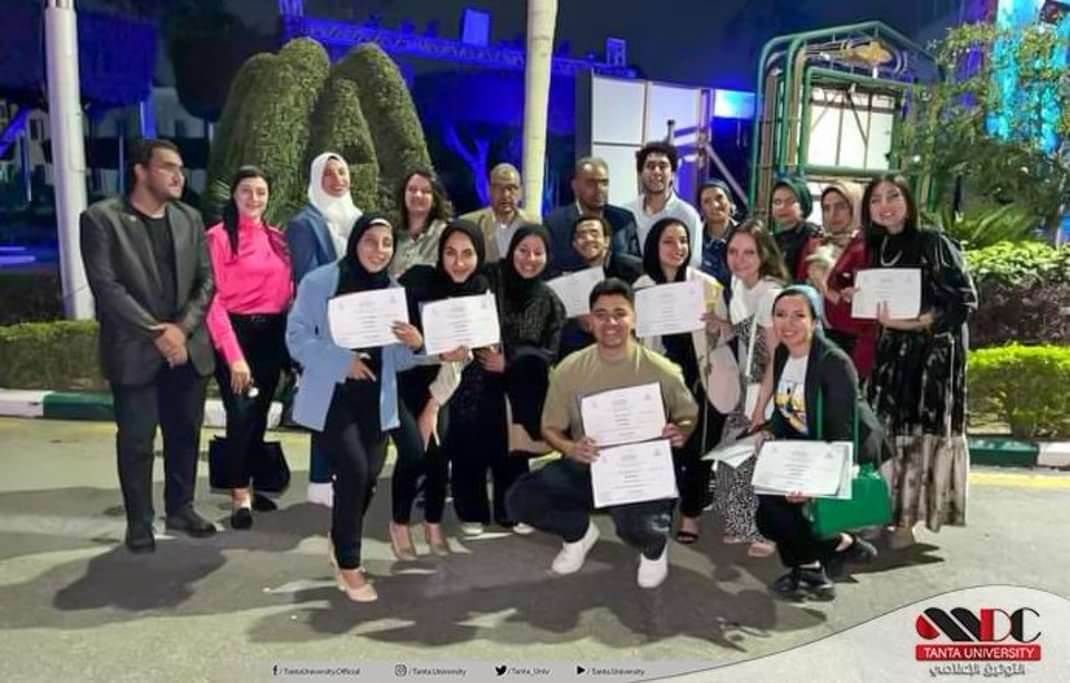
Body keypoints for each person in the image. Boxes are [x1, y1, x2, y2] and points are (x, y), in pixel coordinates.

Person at [506, 278, 698, 589]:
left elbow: (688, 414)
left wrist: (681, 431)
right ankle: (578, 535)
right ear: (590, 320)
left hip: (642, 470)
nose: (610, 323)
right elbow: (549, 428)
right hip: (590, 463)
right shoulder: (570, 369)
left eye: (620, 314)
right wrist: (570, 448)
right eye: (601, 314)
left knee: (635, 525)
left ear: (634, 318)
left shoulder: (661, 369)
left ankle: (653, 549)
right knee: (520, 499)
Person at [80, 138, 217, 553]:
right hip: (135, 350)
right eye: (167, 167)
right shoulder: (102, 219)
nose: (179, 176)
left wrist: (181, 330)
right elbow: (107, 287)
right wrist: (158, 333)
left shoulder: (189, 218)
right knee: (137, 441)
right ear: (141, 171)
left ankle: (181, 508)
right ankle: (139, 521)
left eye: (181, 168)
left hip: (186, 349)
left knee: (185, 434)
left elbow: (206, 282)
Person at [286, 213, 424, 602]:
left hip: (376, 399)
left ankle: (340, 536)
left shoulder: (392, 292)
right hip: (332, 396)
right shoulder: (320, 282)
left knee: (367, 476)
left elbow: (398, 361)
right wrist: (340, 361)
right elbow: (296, 338)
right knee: (353, 469)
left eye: (387, 243)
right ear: (355, 242)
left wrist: (415, 344)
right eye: (370, 241)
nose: (379, 251)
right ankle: (349, 564)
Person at [862, 175, 977, 549]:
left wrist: (915, 323)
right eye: (875, 199)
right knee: (885, 433)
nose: (884, 205)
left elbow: (964, 301)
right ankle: (883, 510)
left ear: (909, 201)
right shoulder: (877, 246)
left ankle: (907, 521)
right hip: (891, 354)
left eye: (893, 196)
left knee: (916, 436)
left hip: (930, 361)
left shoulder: (933, 242)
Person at [754, 286, 880, 600]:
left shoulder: (833, 362)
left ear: (814, 320)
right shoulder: (783, 353)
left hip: (839, 449)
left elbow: (841, 430)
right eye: (780, 315)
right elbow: (786, 409)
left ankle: (813, 569)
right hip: (804, 444)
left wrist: (814, 483)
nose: (788, 323)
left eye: (798, 315)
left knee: (786, 509)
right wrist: (769, 433)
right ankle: (838, 547)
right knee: (768, 514)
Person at [446, 225, 565, 536]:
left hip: (518, 386)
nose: (530, 259)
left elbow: (550, 351)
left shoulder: (550, 300)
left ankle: (510, 510)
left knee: (513, 451)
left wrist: (510, 359)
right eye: (523, 250)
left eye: (538, 252)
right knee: (470, 445)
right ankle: (471, 511)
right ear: (512, 250)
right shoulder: (488, 278)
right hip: (474, 377)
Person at [204, 166, 293, 529]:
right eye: (246, 191)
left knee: (259, 415)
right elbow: (211, 300)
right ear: (234, 195)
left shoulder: (277, 239)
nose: (254, 198)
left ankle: (252, 485)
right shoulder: (217, 238)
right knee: (240, 413)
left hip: (271, 336)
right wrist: (234, 357)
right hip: (234, 335)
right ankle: (239, 492)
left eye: (260, 192)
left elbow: (287, 290)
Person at [633, 218, 727, 544]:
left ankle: (691, 514)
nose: (678, 248)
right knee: (663, 448)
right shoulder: (641, 288)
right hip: (658, 382)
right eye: (669, 241)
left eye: (683, 240)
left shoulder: (707, 286)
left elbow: (726, 337)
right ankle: (662, 509)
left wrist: (716, 328)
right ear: (654, 247)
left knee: (699, 450)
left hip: (702, 379)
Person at [389, 221, 479, 559]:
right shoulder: (418, 280)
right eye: (451, 253)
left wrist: (433, 406)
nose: (459, 262)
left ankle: (433, 523)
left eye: (468, 254)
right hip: (399, 381)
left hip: (439, 385)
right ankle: (399, 523)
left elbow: (461, 359)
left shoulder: (477, 293)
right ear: (440, 254)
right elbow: (393, 342)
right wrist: (421, 344)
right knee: (413, 452)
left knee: (439, 453)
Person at [708, 219, 790, 558]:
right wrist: (722, 326)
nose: (739, 260)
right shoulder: (738, 285)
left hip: (768, 387)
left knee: (761, 461)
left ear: (764, 255)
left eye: (749, 253)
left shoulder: (771, 294)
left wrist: (760, 408)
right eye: (733, 251)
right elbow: (745, 334)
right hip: (748, 383)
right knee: (736, 458)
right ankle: (745, 524)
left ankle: (769, 532)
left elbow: (775, 358)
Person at [287, 151, 363, 507]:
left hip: (359, 327)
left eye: (342, 172)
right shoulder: (304, 223)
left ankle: (345, 474)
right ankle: (319, 479)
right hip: (323, 329)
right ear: (317, 179)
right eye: (329, 174)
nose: (337, 180)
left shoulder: (358, 219)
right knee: (323, 403)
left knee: (350, 406)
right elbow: (307, 278)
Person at [553, 214, 643, 360]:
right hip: (586, 343)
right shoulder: (569, 275)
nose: (588, 239)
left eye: (594, 234)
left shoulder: (633, 268)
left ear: (607, 241)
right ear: (575, 244)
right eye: (581, 236)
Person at [814, 181, 878, 380]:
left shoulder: (867, 248)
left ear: (857, 206)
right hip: (815, 339)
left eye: (841, 206)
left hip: (852, 345)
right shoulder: (816, 245)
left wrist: (825, 288)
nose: (832, 214)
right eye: (826, 208)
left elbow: (865, 313)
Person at [544, 157, 639, 270]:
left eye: (604, 183)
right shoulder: (555, 223)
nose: (599, 189)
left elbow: (636, 264)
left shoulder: (624, 219)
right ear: (575, 186)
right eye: (591, 183)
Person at [624, 142, 702, 267]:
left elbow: (693, 263)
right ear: (640, 173)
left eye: (662, 166)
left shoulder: (688, 215)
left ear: (673, 174)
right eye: (650, 166)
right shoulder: (627, 212)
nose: (656, 171)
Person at [459, 163, 538, 262]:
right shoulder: (470, 223)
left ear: (520, 192)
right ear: (489, 190)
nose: (505, 194)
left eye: (511, 188)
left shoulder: (534, 224)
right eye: (498, 188)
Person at [390, 169, 452, 278]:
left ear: (434, 199)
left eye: (425, 191)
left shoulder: (446, 235)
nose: (418, 195)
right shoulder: (391, 234)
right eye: (412, 189)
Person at [769, 176, 822, 283]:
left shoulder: (814, 236)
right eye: (777, 202)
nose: (782, 207)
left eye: (790, 201)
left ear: (803, 205)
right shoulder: (772, 240)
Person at [697, 179, 738, 290]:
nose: (715, 205)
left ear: (730, 202)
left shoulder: (746, 235)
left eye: (719, 198)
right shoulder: (694, 238)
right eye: (707, 201)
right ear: (701, 209)